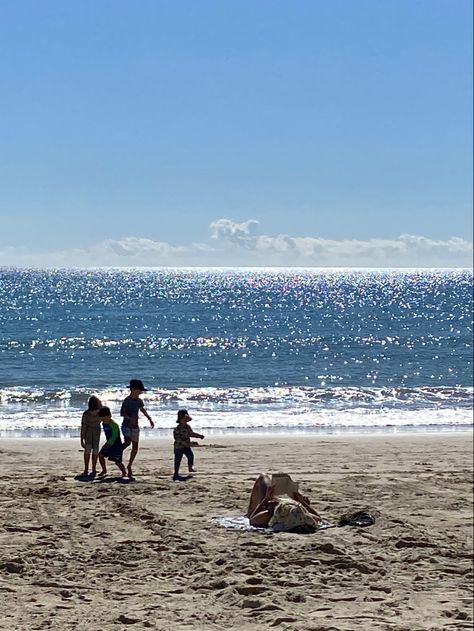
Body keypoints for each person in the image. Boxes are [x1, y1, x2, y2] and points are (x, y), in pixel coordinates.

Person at [247, 473, 322, 531]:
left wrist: (266, 499)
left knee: (263, 477)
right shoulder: (304, 518)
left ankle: (250, 510)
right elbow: (319, 518)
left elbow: (252, 520)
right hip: (292, 510)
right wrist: (303, 503)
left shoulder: (269, 515)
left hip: (279, 510)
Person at [120, 379, 154, 478]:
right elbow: (122, 413)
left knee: (135, 447)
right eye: (139, 390)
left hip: (135, 426)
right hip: (126, 426)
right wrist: (129, 417)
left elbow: (142, 409)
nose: (141, 392)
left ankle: (129, 465)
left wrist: (149, 419)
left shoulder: (139, 401)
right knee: (127, 442)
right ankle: (117, 452)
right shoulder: (127, 400)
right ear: (133, 389)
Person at [173, 409, 204, 481]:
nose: (185, 421)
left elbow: (191, 434)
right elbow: (178, 439)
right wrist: (188, 443)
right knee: (177, 460)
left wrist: (199, 436)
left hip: (187, 447)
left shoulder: (187, 427)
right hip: (178, 447)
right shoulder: (177, 429)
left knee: (190, 456)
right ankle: (176, 472)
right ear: (180, 419)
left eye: (186, 419)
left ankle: (190, 467)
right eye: (184, 419)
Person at [97, 406, 127, 478]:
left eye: (103, 417)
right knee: (100, 455)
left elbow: (114, 436)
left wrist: (108, 444)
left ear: (108, 416)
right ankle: (104, 470)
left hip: (116, 445)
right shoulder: (103, 423)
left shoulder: (114, 425)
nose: (102, 419)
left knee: (117, 461)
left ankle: (124, 472)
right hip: (109, 443)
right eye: (101, 418)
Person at [80, 395, 103, 477]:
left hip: (88, 433)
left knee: (87, 451)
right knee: (95, 451)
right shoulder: (100, 413)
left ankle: (86, 469)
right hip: (96, 432)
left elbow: (83, 426)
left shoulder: (86, 414)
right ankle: (93, 468)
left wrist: (81, 438)